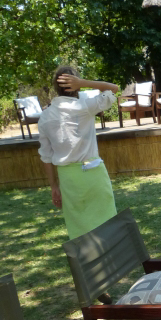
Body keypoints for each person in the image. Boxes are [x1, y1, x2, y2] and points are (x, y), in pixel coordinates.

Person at [38, 66, 119, 240]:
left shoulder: (45, 117)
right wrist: (84, 82)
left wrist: (54, 186)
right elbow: (113, 88)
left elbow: (46, 156)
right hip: (93, 174)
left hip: (68, 179)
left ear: (55, 87)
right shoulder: (85, 106)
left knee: (80, 231)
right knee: (107, 225)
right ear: (77, 85)